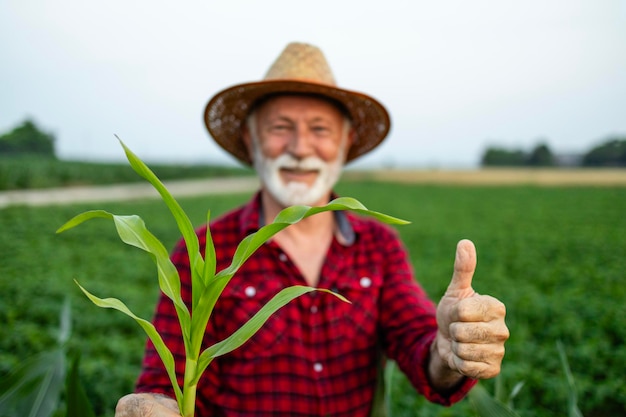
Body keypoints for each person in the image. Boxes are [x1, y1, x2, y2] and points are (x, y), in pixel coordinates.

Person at [115, 42, 509, 417]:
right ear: (250, 141)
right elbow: (166, 379)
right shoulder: (202, 250)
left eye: (320, 129)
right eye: (280, 127)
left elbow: (418, 341)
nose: (300, 147)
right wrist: (154, 406)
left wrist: (448, 351)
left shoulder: (377, 246)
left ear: (345, 142)